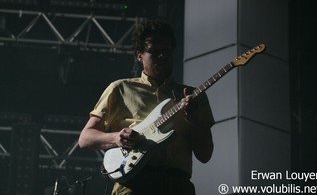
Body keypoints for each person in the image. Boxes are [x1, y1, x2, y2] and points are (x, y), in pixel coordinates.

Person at [78, 20, 215, 195]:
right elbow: (85, 138)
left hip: (177, 186)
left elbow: (205, 156)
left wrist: (193, 120)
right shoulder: (120, 88)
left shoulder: (192, 96)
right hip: (133, 185)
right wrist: (117, 138)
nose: (162, 56)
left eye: (166, 50)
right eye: (154, 51)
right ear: (139, 55)